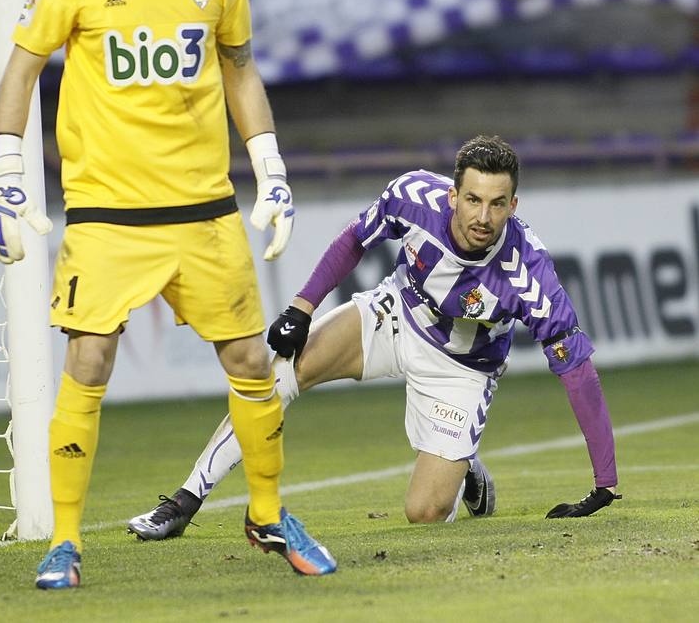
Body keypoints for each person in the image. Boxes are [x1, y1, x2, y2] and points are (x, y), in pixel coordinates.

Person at [0, 0, 336, 588]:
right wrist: (7, 172)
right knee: (90, 360)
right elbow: (21, 70)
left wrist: (269, 167)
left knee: (251, 362)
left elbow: (240, 69)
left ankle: (268, 514)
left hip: (205, 210)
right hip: (108, 213)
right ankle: (65, 541)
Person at [127, 135, 621, 540]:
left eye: (496, 205)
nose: (482, 218)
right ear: (453, 195)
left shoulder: (530, 275)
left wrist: (603, 484)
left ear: (513, 205)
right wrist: (302, 308)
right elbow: (353, 240)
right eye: (472, 200)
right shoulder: (412, 197)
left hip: (461, 369)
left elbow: (576, 371)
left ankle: (464, 465)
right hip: (396, 314)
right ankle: (183, 501)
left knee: (424, 513)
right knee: (277, 376)